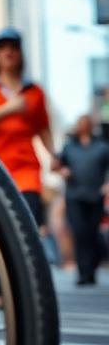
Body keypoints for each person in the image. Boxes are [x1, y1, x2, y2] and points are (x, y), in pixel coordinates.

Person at [0, 28, 58, 308]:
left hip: (26, 171)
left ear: (20, 52)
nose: (8, 52)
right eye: (2, 47)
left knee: (24, 228)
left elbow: (43, 127)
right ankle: (2, 278)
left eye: (13, 47)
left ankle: (13, 287)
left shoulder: (34, 92)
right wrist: (10, 108)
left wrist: (53, 156)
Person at [58, 114, 109, 285]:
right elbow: (57, 164)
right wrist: (62, 170)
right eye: (80, 123)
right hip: (75, 195)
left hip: (96, 195)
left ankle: (91, 269)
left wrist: (107, 184)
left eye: (86, 123)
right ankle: (83, 273)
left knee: (92, 233)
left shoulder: (102, 146)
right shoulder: (69, 146)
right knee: (80, 232)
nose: (83, 126)